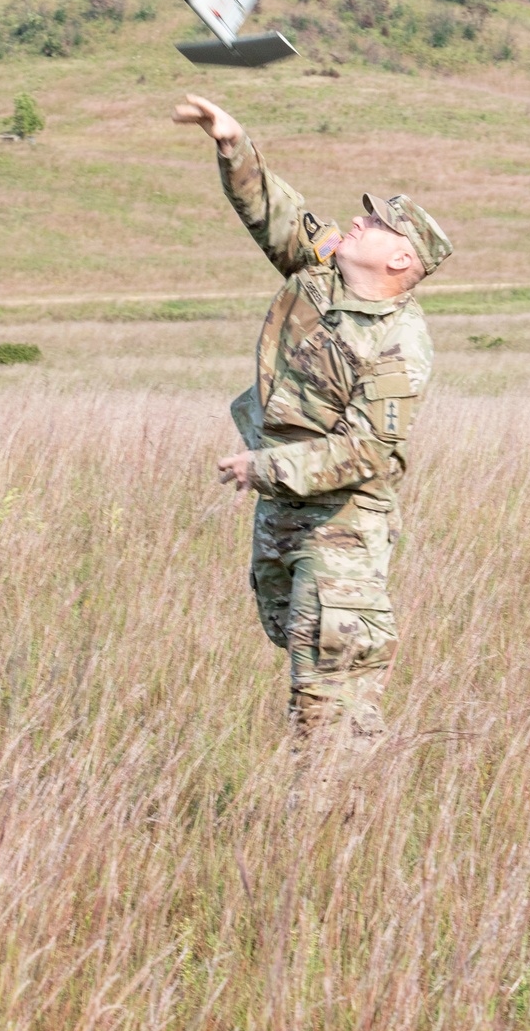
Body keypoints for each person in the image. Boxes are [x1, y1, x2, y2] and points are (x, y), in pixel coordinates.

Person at [173, 94, 453, 752]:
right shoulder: (325, 270)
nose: (357, 222)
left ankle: (325, 828)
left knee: (323, 696)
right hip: (286, 515)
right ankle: (345, 808)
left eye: (377, 223)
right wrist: (232, 143)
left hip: (343, 530)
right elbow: (277, 215)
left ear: (401, 263)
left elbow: (367, 451)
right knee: (311, 667)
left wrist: (261, 467)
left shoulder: (400, 343)